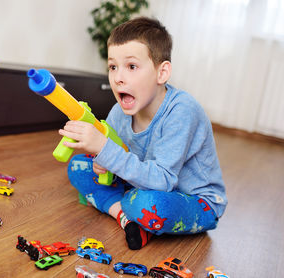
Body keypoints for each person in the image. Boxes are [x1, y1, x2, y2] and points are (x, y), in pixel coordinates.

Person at [58, 17, 227, 250]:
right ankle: (126, 218)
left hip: (193, 201)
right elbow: (115, 156)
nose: (118, 77)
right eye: (113, 67)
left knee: (150, 204)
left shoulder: (182, 111)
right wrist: (101, 161)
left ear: (162, 73)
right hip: (140, 184)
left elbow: (164, 181)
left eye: (131, 66)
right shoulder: (119, 111)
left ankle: (121, 207)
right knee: (78, 166)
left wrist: (106, 151)